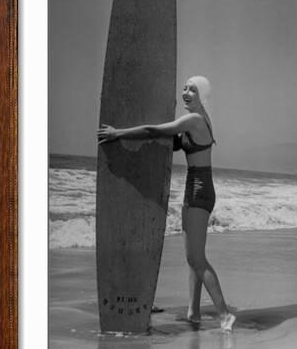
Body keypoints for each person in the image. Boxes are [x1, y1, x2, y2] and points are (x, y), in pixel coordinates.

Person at [97, 76, 236, 331]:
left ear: (202, 95)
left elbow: (155, 131)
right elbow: (172, 143)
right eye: (184, 88)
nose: (186, 93)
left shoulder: (193, 120)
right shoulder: (196, 119)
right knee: (194, 256)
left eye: (192, 90)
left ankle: (225, 314)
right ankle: (194, 313)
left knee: (195, 258)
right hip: (195, 188)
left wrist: (118, 134)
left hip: (199, 190)